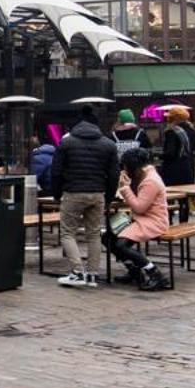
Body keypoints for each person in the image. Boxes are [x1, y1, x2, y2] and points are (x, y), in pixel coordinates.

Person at [49, 107, 121, 289]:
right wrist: (109, 197)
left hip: (73, 192)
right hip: (98, 193)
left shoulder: (66, 143)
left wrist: (57, 194)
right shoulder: (108, 144)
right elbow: (114, 175)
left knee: (67, 232)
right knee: (94, 234)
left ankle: (77, 271)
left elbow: (56, 172)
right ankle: (92, 274)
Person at [103, 147, 173, 291]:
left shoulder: (150, 181)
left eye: (126, 166)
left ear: (133, 166)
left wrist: (125, 188)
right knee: (107, 236)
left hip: (153, 221)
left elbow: (139, 207)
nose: (124, 169)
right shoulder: (142, 175)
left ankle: (155, 273)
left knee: (121, 245)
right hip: (139, 219)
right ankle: (134, 272)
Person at [158, 107, 195, 187]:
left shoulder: (171, 132)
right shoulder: (194, 131)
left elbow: (170, 153)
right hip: (189, 168)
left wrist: (158, 155)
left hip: (173, 170)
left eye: (169, 117)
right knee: (187, 195)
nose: (167, 119)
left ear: (174, 119)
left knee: (171, 195)